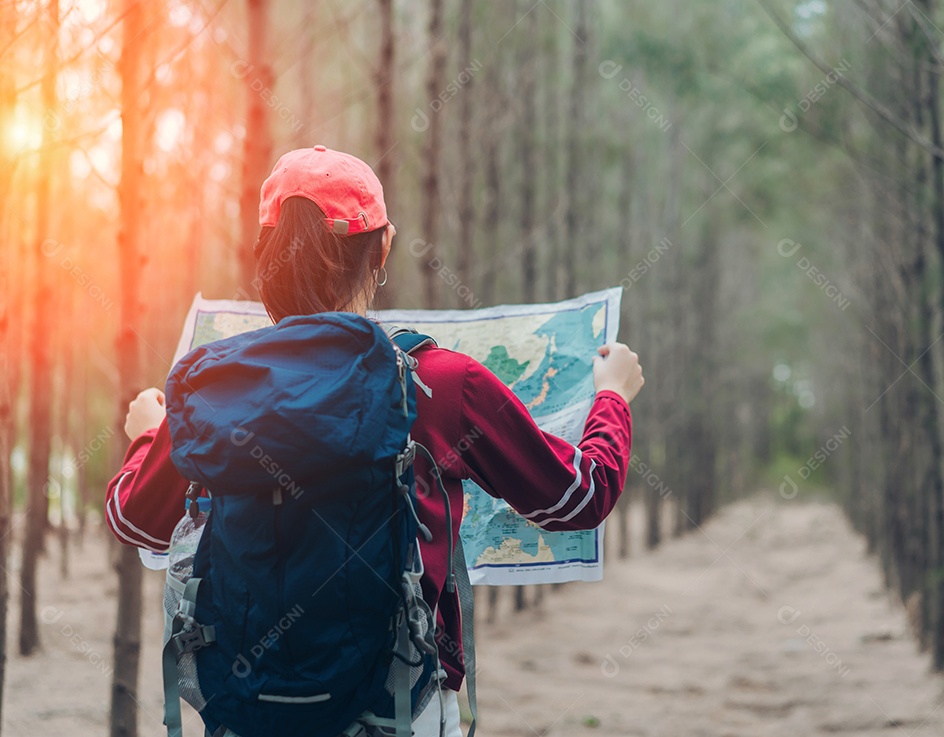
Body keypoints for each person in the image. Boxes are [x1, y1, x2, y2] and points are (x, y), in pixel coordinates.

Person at [106, 144, 644, 736]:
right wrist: (611, 396)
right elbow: (579, 497)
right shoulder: (440, 383)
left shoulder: (209, 387)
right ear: (381, 248)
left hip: (247, 705)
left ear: (264, 254)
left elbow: (137, 523)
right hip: (397, 706)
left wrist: (147, 436)